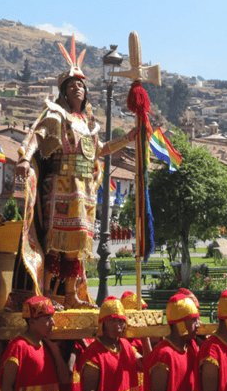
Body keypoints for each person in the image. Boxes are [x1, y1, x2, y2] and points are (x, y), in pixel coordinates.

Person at [13, 35, 137, 309]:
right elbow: (38, 134)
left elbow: (101, 149)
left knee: (77, 246)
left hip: (84, 191)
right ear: (64, 92)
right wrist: (24, 157)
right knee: (55, 244)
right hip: (59, 186)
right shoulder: (57, 114)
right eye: (72, 86)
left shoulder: (89, 123)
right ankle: (45, 295)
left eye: (81, 85)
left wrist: (128, 137)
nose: (77, 89)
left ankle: (71, 295)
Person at [0, 295, 69, 391]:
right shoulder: (18, 347)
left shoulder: (48, 345)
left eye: (52, 317)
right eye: (47, 318)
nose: (53, 322)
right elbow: (6, 388)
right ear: (31, 322)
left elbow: (65, 379)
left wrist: (55, 351)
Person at [81, 296, 142, 391]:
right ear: (102, 323)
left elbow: (144, 366)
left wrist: (145, 340)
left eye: (120, 321)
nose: (117, 325)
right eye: (112, 320)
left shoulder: (125, 345)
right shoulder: (94, 353)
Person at [144, 292, 200, 391]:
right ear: (180, 324)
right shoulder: (164, 354)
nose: (198, 324)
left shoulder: (190, 347)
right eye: (194, 320)